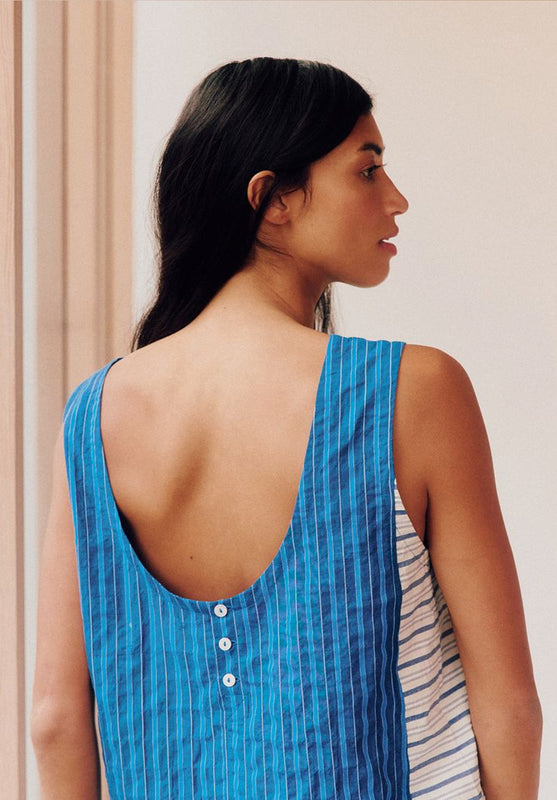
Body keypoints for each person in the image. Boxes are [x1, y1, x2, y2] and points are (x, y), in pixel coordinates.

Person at [31, 57, 542, 799]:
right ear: (271, 200)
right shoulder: (413, 392)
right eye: (367, 170)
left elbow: (55, 720)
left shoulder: (94, 418)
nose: (396, 199)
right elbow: (509, 704)